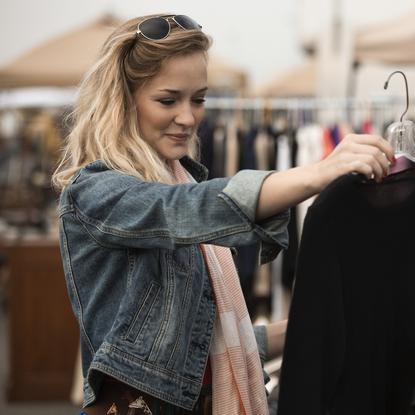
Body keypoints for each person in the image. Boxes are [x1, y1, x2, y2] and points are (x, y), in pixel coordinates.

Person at [51, 14, 394, 415]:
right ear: (123, 100)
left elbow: (204, 343)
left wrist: (316, 327)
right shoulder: (96, 191)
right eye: (168, 100)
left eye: (198, 99)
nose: (188, 117)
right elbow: (184, 211)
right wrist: (316, 172)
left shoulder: (179, 180)